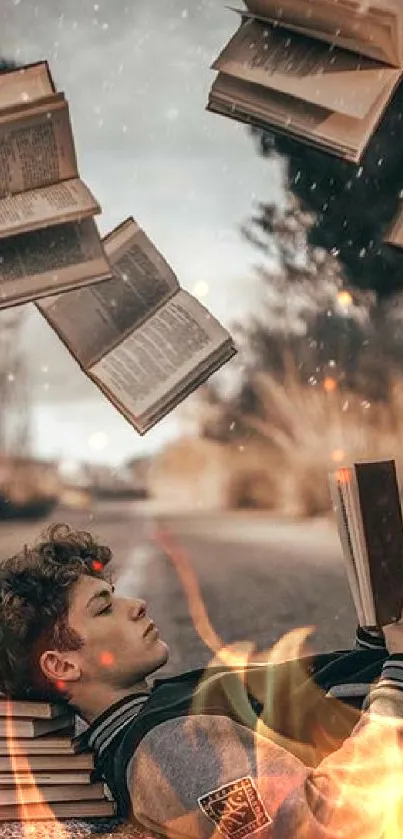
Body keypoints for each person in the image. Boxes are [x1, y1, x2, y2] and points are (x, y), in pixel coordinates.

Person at [1, 523, 402, 839]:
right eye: (104, 609)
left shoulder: (163, 710)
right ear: (63, 667)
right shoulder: (166, 752)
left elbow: (318, 721)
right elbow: (324, 824)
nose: (136, 605)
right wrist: (397, 673)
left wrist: (374, 646)